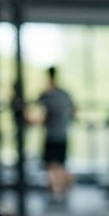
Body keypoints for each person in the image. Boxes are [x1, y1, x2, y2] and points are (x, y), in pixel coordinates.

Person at [34, 66, 75, 203]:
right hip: (60, 133)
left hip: (54, 134)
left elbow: (39, 113)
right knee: (57, 164)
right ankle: (58, 191)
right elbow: (73, 110)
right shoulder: (63, 94)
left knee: (53, 165)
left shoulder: (48, 94)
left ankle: (58, 190)